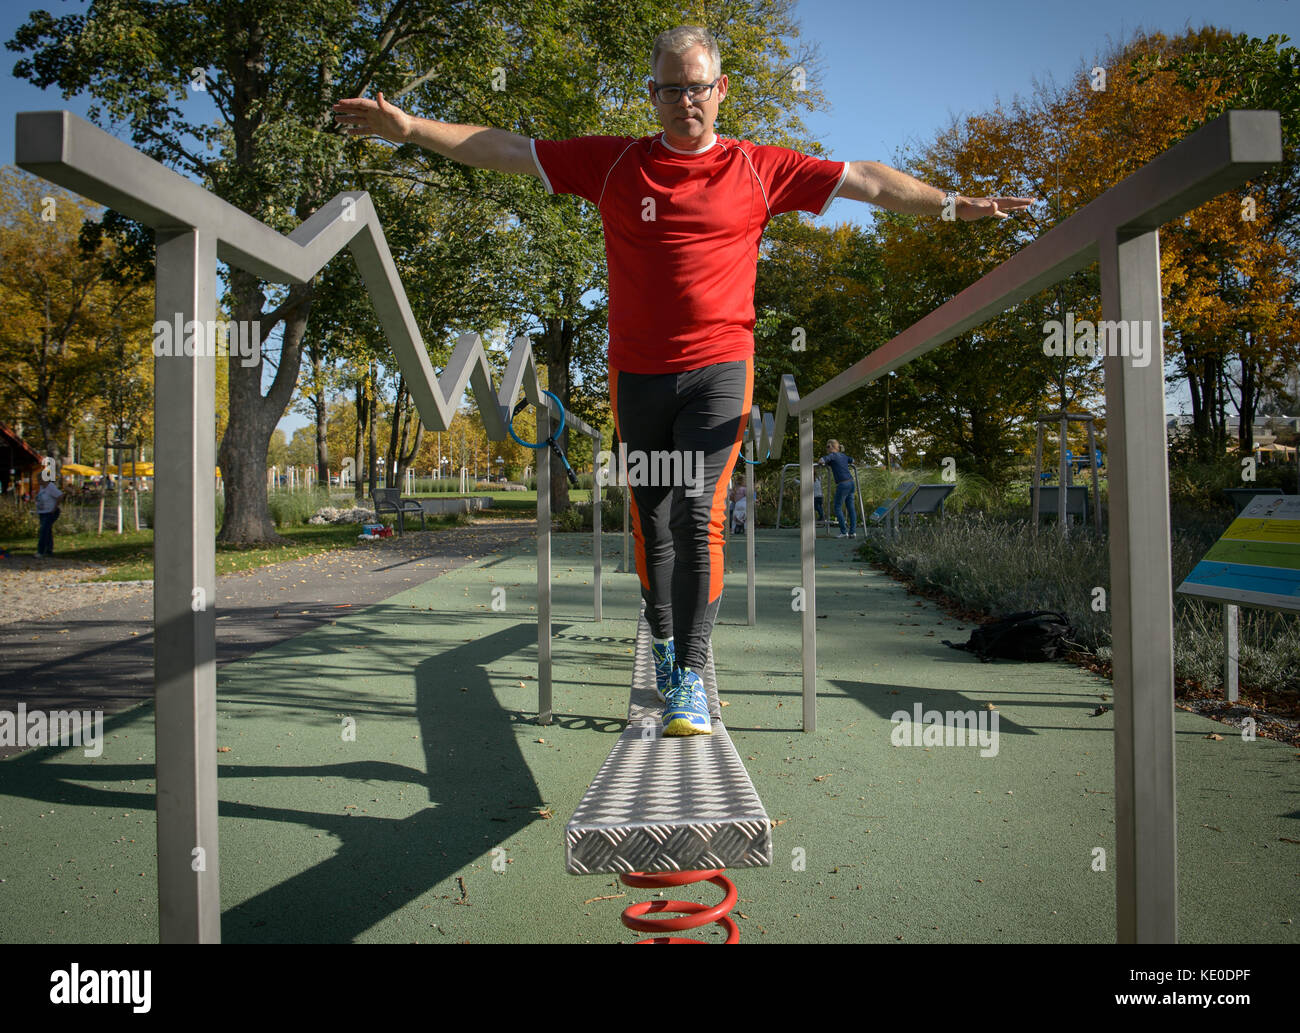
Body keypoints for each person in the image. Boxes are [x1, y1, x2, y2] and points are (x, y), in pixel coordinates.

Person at [333, 26, 1031, 735]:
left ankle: (691, 673)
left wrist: (952, 204)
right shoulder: (615, 165)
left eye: (697, 87)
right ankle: (665, 644)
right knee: (654, 523)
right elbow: (509, 149)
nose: (685, 101)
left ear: (720, 89)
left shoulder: (759, 168)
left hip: (721, 368)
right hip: (637, 374)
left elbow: (867, 178)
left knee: (700, 515)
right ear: (653, 94)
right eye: (671, 89)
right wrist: (411, 128)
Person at [818, 439, 857, 538]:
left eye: (828, 447)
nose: (827, 449)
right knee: (851, 508)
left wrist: (823, 463)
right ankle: (852, 532)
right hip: (851, 482)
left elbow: (821, 460)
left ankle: (844, 532)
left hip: (843, 484)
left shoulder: (833, 455)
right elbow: (852, 460)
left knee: (837, 507)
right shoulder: (843, 456)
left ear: (832, 447)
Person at [35, 475, 64, 557]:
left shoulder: (50, 487)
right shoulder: (42, 487)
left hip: (50, 512)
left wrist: (55, 507)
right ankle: (49, 549)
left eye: (40, 479)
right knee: (47, 531)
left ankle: (41, 551)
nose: (38, 481)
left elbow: (60, 496)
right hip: (42, 512)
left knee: (44, 531)